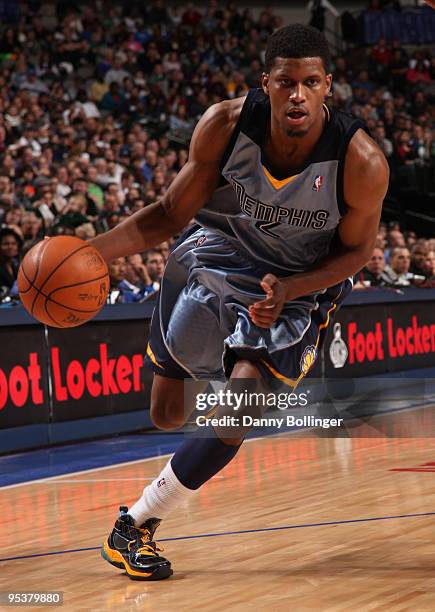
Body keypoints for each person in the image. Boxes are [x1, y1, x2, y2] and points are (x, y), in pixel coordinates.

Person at [91, 24, 389, 580]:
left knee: (241, 403)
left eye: (310, 82)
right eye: (285, 83)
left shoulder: (361, 161)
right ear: (266, 84)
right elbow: (168, 212)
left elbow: (356, 255)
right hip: (216, 251)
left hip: (297, 280)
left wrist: (293, 290)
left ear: (329, 85)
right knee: (167, 415)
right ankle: (188, 352)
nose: (297, 94)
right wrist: (90, 253)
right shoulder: (225, 124)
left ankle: (134, 524)